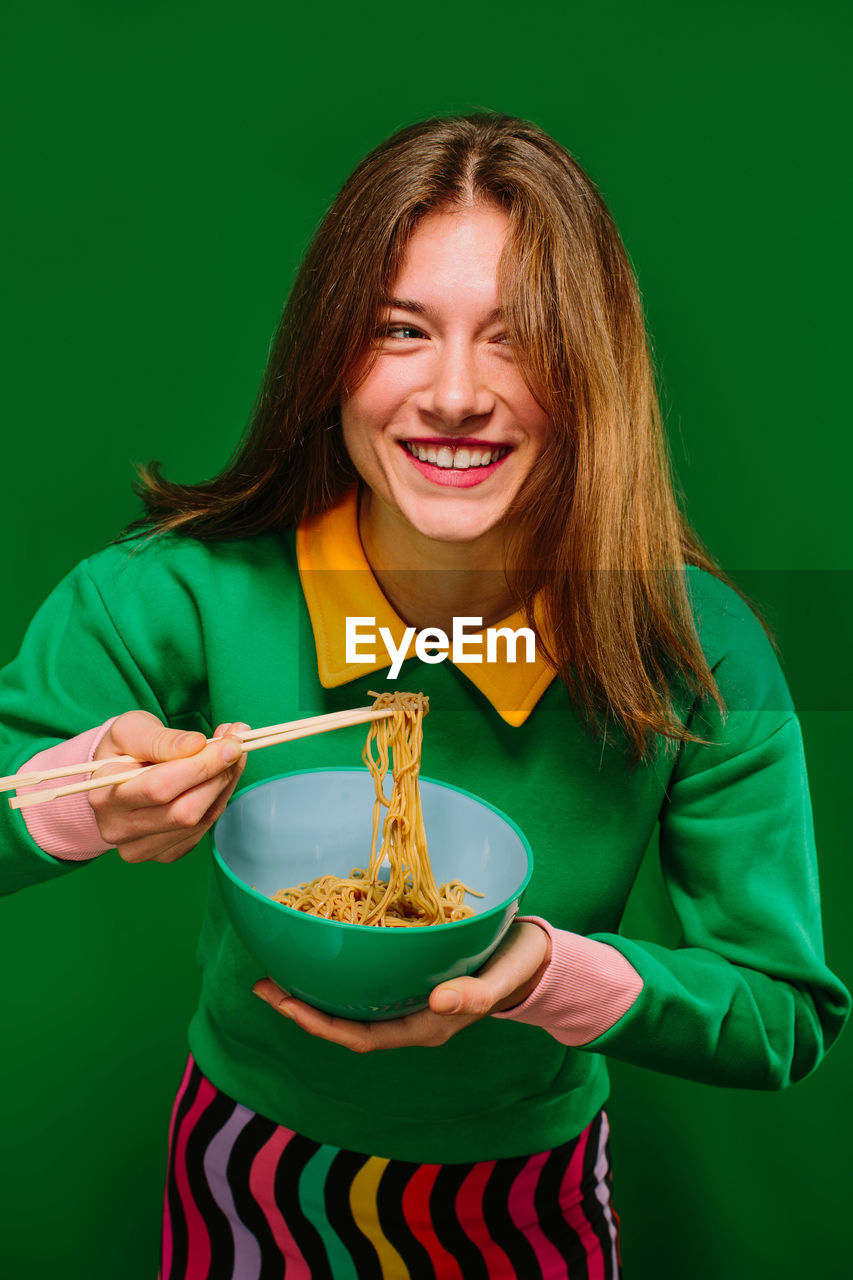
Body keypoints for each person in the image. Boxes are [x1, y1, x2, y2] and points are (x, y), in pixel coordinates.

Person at [1, 113, 848, 1279]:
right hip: (242, 1161)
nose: (455, 393)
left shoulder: (696, 650)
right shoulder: (186, 585)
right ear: (327, 355)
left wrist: (549, 969)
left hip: (532, 1197)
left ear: (592, 369)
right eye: (401, 330)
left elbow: (783, 1010)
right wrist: (83, 799)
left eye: (517, 341)